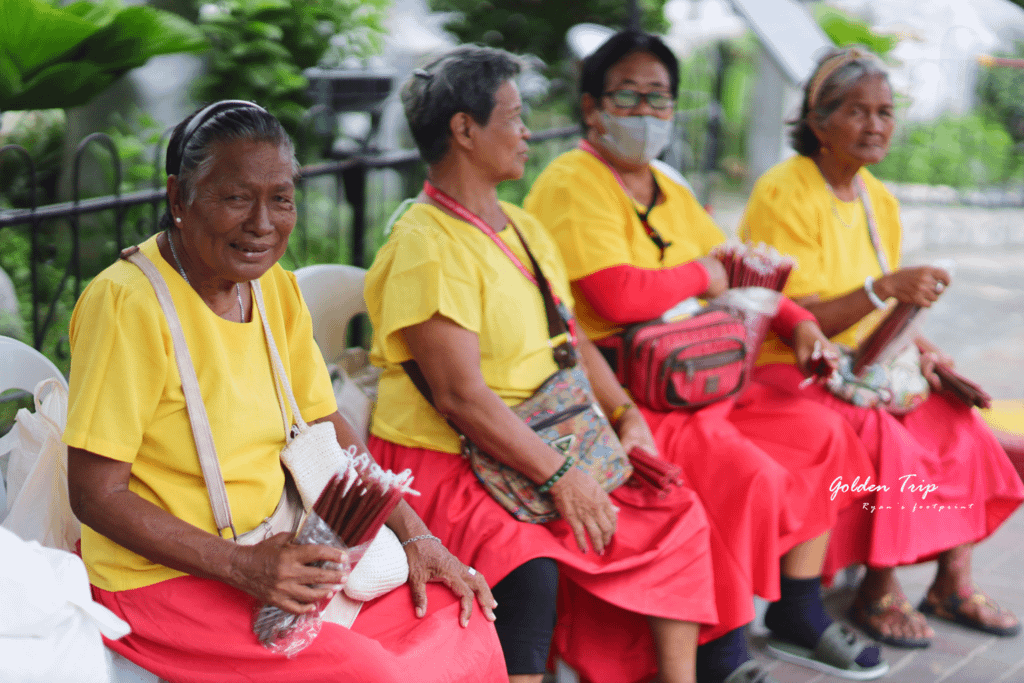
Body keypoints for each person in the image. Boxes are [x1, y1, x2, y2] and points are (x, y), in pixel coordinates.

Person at [63, 101, 507, 683]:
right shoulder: (126, 303)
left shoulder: (272, 287)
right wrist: (242, 566)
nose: (262, 223)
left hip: (279, 550)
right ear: (179, 199)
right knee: (371, 672)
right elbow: (95, 494)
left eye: (280, 198)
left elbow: (327, 427)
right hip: (162, 579)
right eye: (236, 197)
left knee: (460, 618)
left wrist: (416, 535)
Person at [525, 30, 886, 683]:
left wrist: (799, 322)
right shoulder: (571, 179)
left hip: (700, 379)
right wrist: (702, 275)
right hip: (628, 391)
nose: (645, 111)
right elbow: (615, 292)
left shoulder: (665, 183)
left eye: (659, 97)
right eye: (627, 95)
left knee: (825, 432)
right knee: (747, 476)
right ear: (591, 106)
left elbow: (741, 269)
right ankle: (721, 647)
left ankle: (799, 608)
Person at [365, 46, 718, 683]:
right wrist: (561, 474)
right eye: (514, 116)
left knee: (672, 507)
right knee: (527, 562)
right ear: (464, 130)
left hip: (543, 435)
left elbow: (573, 342)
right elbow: (459, 398)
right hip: (451, 458)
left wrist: (625, 413)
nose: (528, 132)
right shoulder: (424, 243)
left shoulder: (522, 224)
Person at [742, 46, 1024, 649]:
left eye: (885, 112)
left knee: (960, 423)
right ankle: (877, 584)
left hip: (864, 367)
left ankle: (952, 579)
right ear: (818, 122)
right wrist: (882, 289)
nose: (875, 125)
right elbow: (789, 314)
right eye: (857, 111)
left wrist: (922, 350)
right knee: (892, 440)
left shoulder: (878, 198)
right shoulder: (783, 190)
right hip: (793, 368)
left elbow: (888, 307)